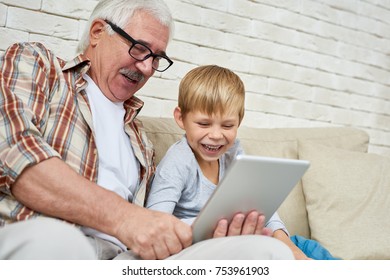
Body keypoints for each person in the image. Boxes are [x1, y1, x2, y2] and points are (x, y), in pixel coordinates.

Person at [0, 0, 294, 260]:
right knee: (58, 241)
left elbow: (156, 228)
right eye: (139, 48)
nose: (147, 68)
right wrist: (125, 219)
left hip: (127, 261)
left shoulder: (139, 139)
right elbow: (11, 152)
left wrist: (209, 240)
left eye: (156, 58)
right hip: (48, 238)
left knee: (268, 252)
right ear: (98, 32)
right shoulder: (39, 65)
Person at [146, 65, 310, 260]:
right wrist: (211, 229)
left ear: (239, 122)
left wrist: (290, 246)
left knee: (311, 251)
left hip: (236, 241)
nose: (216, 135)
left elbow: (264, 209)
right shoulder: (179, 161)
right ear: (181, 118)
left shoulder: (233, 154)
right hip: (191, 249)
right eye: (204, 124)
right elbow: (154, 222)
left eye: (227, 125)